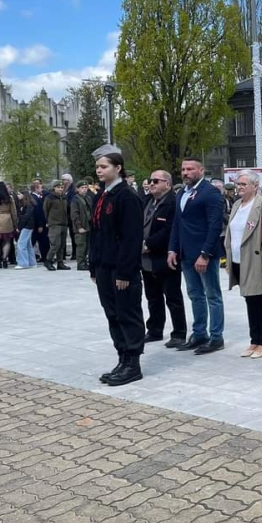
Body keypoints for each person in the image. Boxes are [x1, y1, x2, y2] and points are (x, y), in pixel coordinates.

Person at [90, 146, 146, 386]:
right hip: (104, 267)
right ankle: (122, 358)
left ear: (118, 168)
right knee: (112, 314)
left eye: (104, 166)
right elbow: (97, 233)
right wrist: (94, 266)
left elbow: (131, 238)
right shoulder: (102, 195)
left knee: (127, 314)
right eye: (97, 167)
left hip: (122, 269)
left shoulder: (126, 196)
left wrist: (124, 272)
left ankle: (133, 363)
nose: (99, 170)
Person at [167, 159, 225, 354]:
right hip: (185, 254)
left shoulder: (210, 193)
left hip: (204, 254)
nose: (185, 172)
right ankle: (199, 333)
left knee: (212, 295)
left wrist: (205, 254)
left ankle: (216, 337)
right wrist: (172, 249)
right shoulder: (181, 193)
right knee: (195, 294)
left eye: (190, 169)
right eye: (183, 169)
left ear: (201, 170)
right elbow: (177, 223)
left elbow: (215, 225)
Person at [225, 170, 262, 359]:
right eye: (238, 184)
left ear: (255, 186)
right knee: (249, 300)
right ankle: (255, 339)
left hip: (255, 258)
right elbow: (231, 233)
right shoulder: (237, 204)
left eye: (243, 184)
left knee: (260, 299)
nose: (239, 187)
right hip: (238, 259)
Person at [142, 170, 188, 347]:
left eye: (155, 181)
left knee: (173, 297)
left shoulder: (173, 203)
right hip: (146, 259)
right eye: (150, 180)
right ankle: (154, 330)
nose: (151, 184)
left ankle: (179, 333)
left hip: (165, 256)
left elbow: (169, 230)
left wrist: (149, 244)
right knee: (152, 297)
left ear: (167, 184)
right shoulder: (146, 201)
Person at [43, 181, 71, 271]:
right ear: (54, 188)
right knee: (55, 244)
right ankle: (48, 260)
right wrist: (47, 221)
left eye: (62, 187)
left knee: (62, 244)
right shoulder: (50, 198)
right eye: (58, 187)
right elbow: (45, 210)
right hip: (54, 224)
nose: (60, 189)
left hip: (63, 223)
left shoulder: (64, 197)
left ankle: (60, 262)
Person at [70, 181, 92, 271]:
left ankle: (85, 262)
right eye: (82, 188)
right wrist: (79, 227)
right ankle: (81, 264)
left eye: (85, 187)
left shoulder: (88, 198)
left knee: (87, 245)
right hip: (80, 226)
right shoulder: (75, 200)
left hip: (88, 225)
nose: (84, 189)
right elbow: (74, 215)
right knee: (81, 245)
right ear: (78, 189)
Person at [15, 189, 37, 270]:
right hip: (28, 226)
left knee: (21, 244)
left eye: (19, 194)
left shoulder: (28, 205)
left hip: (27, 226)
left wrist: (19, 227)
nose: (18, 196)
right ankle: (32, 262)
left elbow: (25, 217)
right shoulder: (26, 204)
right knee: (28, 245)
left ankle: (23, 263)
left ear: (24, 195)